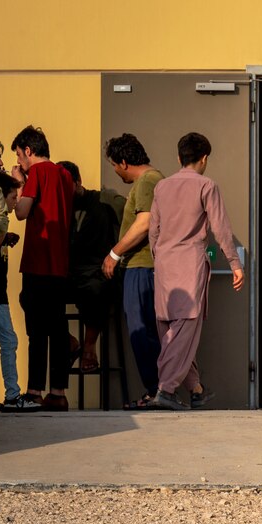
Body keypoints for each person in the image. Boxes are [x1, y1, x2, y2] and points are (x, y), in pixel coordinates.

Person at [147, 132, 244, 410]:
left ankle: (197, 390)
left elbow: (154, 230)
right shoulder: (206, 186)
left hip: (165, 265)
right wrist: (235, 264)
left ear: (179, 158)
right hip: (190, 264)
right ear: (204, 159)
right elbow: (221, 229)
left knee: (170, 331)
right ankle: (165, 390)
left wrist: (160, 256)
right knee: (185, 327)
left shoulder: (162, 187)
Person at [10, 125, 74, 411]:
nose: (20, 162)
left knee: (36, 330)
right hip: (60, 262)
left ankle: (34, 390)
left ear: (28, 150)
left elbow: (22, 212)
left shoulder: (37, 173)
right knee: (58, 329)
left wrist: (18, 182)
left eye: (19, 156)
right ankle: (58, 392)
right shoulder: (64, 174)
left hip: (38, 260)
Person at [103, 133, 163, 409]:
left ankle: (156, 391)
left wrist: (114, 253)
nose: (115, 172)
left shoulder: (148, 181)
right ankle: (158, 391)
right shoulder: (150, 181)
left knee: (142, 331)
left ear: (123, 162)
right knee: (148, 331)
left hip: (141, 267)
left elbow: (144, 223)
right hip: (143, 268)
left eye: (114, 166)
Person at [57, 161, 120, 373]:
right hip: (68, 274)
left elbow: (134, 217)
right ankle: (69, 341)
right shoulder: (57, 206)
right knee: (33, 296)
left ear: (78, 182)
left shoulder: (103, 200)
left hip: (97, 273)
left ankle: (89, 347)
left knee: (96, 290)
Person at [0, 173, 25, 411]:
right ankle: (12, 394)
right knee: (9, 341)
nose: (17, 201)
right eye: (13, 196)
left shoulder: (1, 225)